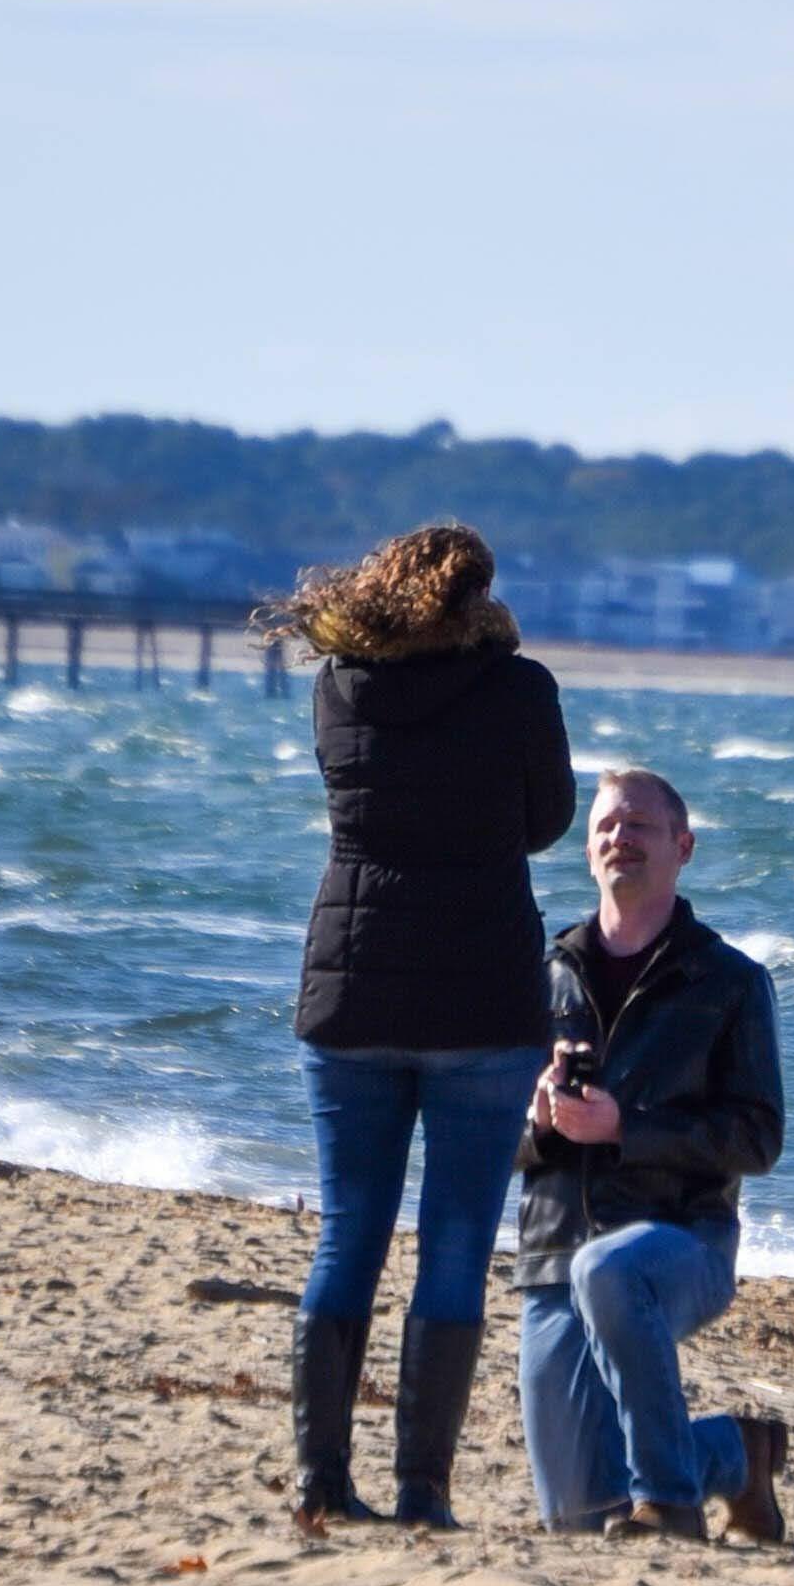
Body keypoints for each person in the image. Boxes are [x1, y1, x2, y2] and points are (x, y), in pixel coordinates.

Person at [267, 521, 575, 1526]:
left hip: (351, 988)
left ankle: (320, 1480)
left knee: (348, 1235)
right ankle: (421, 1492)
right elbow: (545, 822)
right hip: (482, 993)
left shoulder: (339, 686)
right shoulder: (518, 688)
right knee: (452, 1245)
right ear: (477, 598)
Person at [514, 765, 793, 1542]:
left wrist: (624, 1130)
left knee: (609, 1271)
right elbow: (488, 1140)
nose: (618, 837)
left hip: (681, 1239)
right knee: (580, 1518)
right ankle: (735, 1453)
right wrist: (537, 1124)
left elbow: (758, 1138)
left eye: (638, 825)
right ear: (588, 853)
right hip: (552, 1250)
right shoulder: (545, 975)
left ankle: (671, 1502)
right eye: (605, 826)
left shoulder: (730, 981)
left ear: (683, 847)